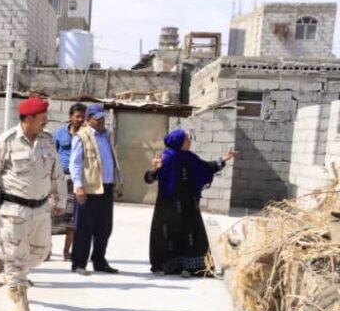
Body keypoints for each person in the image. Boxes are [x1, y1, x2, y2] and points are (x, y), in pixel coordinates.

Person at [0, 97, 65, 311]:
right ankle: (20, 298)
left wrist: (61, 199)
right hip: (13, 209)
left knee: (41, 252)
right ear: (29, 119)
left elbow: (57, 173)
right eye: (42, 118)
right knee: (17, 258)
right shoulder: (7, 141)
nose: (46, 121)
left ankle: (3, 258)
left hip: (41, 209)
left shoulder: (48, 140)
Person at [145, 129, 237, 276]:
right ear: (179, 142)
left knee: (190, 234)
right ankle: (164, 266)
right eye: (187, 139)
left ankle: (189, 268)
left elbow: (206, 167)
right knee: (168, 233)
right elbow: (149, 178)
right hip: (168, 206)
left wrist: (225, 159)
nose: (190, 141)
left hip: (188, 204)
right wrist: (154, 169)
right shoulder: (167, 158)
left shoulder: (190, 157)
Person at [69, 103, 123, 275]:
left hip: (106, 188)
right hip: (88, 189)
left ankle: (99, 261)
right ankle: (79, 263)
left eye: (102, 119)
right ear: (88, 119)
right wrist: (78, 186)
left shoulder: (107, 135)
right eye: (97, 119)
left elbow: (112, 159)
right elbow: (75, 164)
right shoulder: (81, 137)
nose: (101, 122)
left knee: (104, 228)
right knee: (84, 228)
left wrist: (119, 180)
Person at [52, 102, 87, 260]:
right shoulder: (59, 134)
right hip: (59, 179)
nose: (80, 119)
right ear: (70, 117)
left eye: (82, 117)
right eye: (77, 116)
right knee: (52, 214)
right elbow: (52, 154)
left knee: (73, 218)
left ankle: (67, 251)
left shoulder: (87, 136)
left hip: (77, 182)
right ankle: (46, 249)